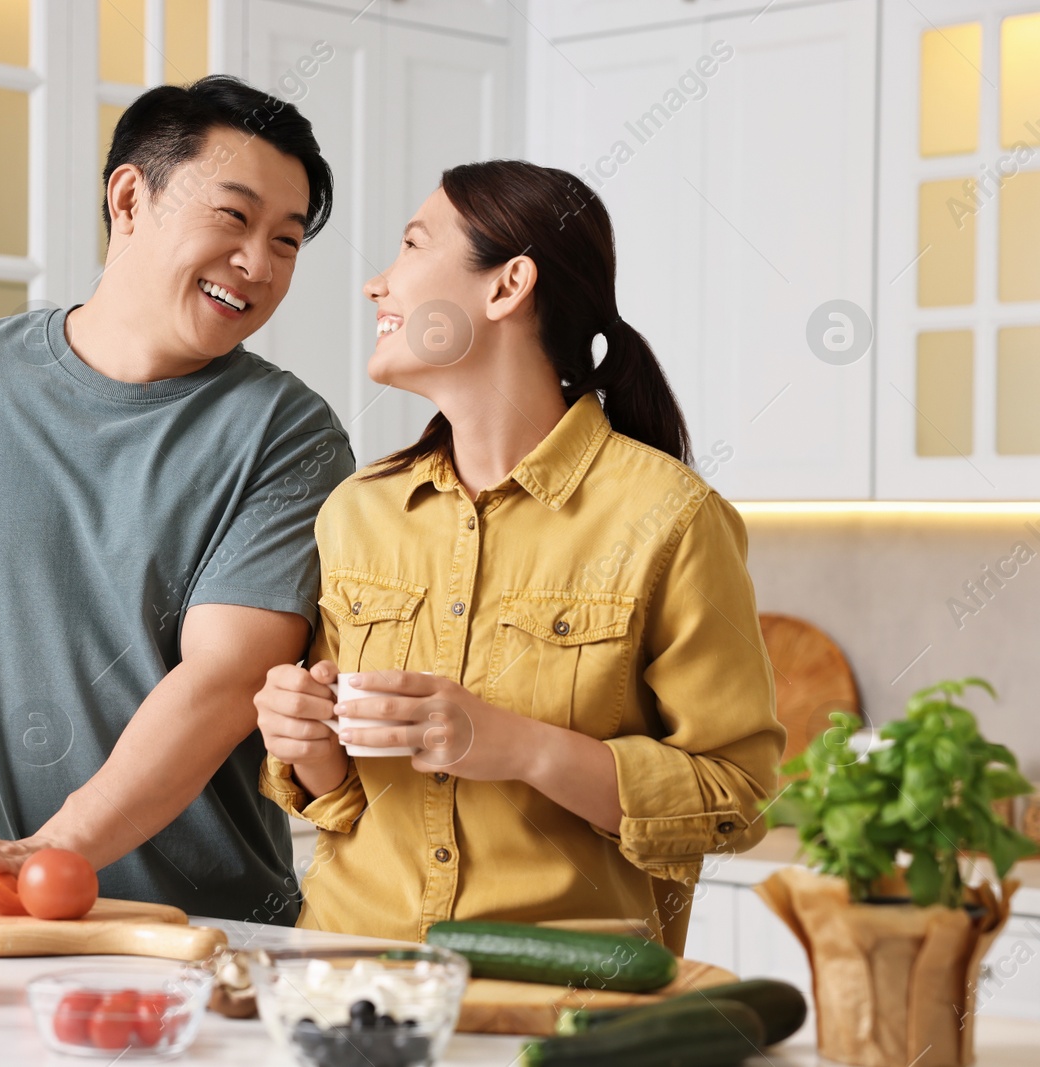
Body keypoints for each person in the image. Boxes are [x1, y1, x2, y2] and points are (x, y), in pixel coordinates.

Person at [0, 75, 354, 923]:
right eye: (233, 217)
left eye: (288, 241)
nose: (258, 265)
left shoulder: (291, 434)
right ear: (129, 197)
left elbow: (224, 680)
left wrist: (57, 845)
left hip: (209, 934)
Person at [253, 160, 784, 953]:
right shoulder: (358, 512)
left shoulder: (670, 520)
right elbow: (346, 800)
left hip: (561, 1002)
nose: (376, 284)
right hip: (348, 971)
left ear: (507, 286)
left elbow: (735, 802)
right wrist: (308, 744)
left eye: (409, 245)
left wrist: (521, 747)